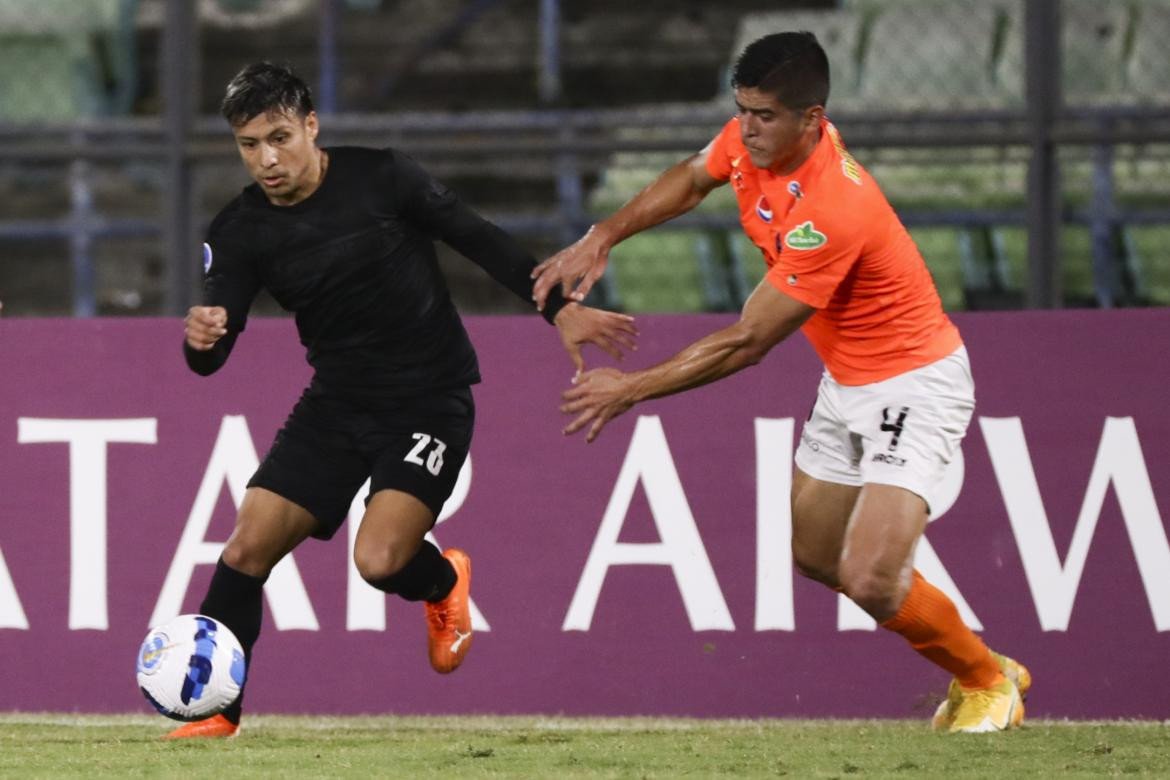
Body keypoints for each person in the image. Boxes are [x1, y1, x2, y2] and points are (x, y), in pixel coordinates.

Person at [532, 32, 1029, 733]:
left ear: (813, 119)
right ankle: (986, 666)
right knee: (814, 557)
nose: (748, 129)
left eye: (764, 116)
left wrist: (629, 389)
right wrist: (605, 233)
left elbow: (748, 340)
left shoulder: (834, 207)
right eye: (742, 111)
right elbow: (692, 174)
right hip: (847, 381)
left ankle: (986, 682)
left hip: (914, 383)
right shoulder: (751, 138)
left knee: (870, 576)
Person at [172, 62, 637, 739]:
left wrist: (560, 310)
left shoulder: (383, 178)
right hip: (335, 405)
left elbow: (478, 238)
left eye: (279, 137)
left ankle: (443, 582)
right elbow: (212, 352)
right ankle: (217, 712)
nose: (267, 159)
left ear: (311, 124)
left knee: (380, 561)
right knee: (246, 549)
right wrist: (202, 339)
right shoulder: (241, 229)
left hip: (428, 399)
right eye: (249, 145)